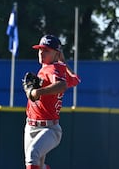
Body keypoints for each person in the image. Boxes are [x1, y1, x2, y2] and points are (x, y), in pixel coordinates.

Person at [23, 34, 81, 169]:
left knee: (32, 157)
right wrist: (63, 62)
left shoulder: (53, 69)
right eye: (40, 49)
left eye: (46, 50)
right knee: (38, 164)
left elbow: (62, 85)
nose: (41, 53)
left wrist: (38, 92)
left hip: (48, 129)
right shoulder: (54, 68)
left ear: (56, 53)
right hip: (31, 126)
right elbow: (75, 79)